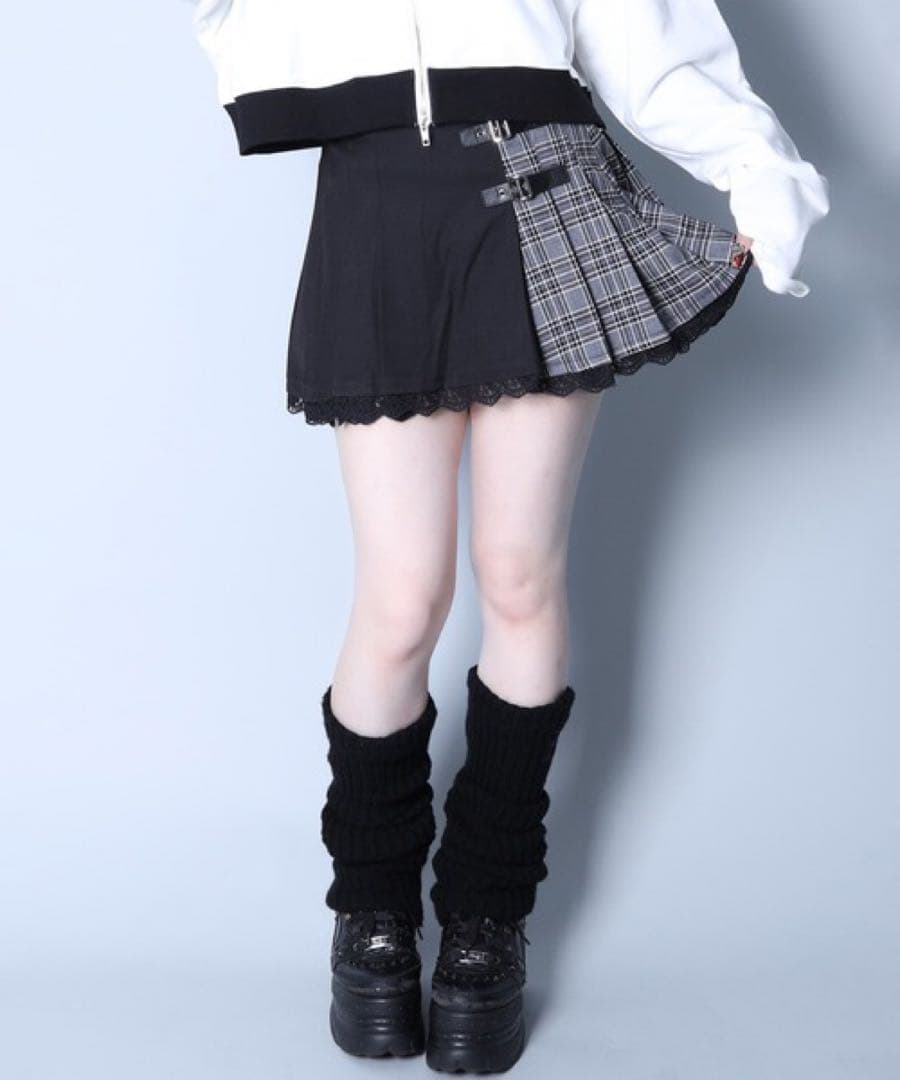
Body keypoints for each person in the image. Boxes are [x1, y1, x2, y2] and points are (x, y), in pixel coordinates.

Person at [187, 0, 830, 1071]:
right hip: (377, 197)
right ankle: (372, 913)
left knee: (520, 575)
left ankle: (487, 922)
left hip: (542, 184)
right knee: (402, 596)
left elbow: (648, 40)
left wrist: (758, 172)